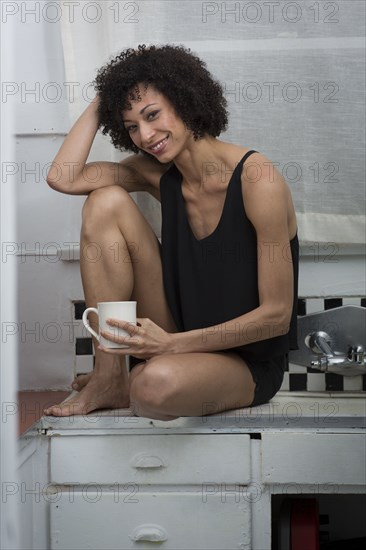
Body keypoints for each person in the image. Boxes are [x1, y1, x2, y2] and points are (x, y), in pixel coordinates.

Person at [44, 44, 299, 420]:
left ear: (184, 98)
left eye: (152, 114)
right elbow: (62, 178)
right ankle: (109, 375)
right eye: (131, 126)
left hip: (246, 362)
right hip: (177, 329)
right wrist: (109, 93)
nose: (145, 136)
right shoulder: (157, 173)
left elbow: (277, 316)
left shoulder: (257, 179)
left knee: (153, 386)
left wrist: (171, 346)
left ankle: (134, 378)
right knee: (104, 201)